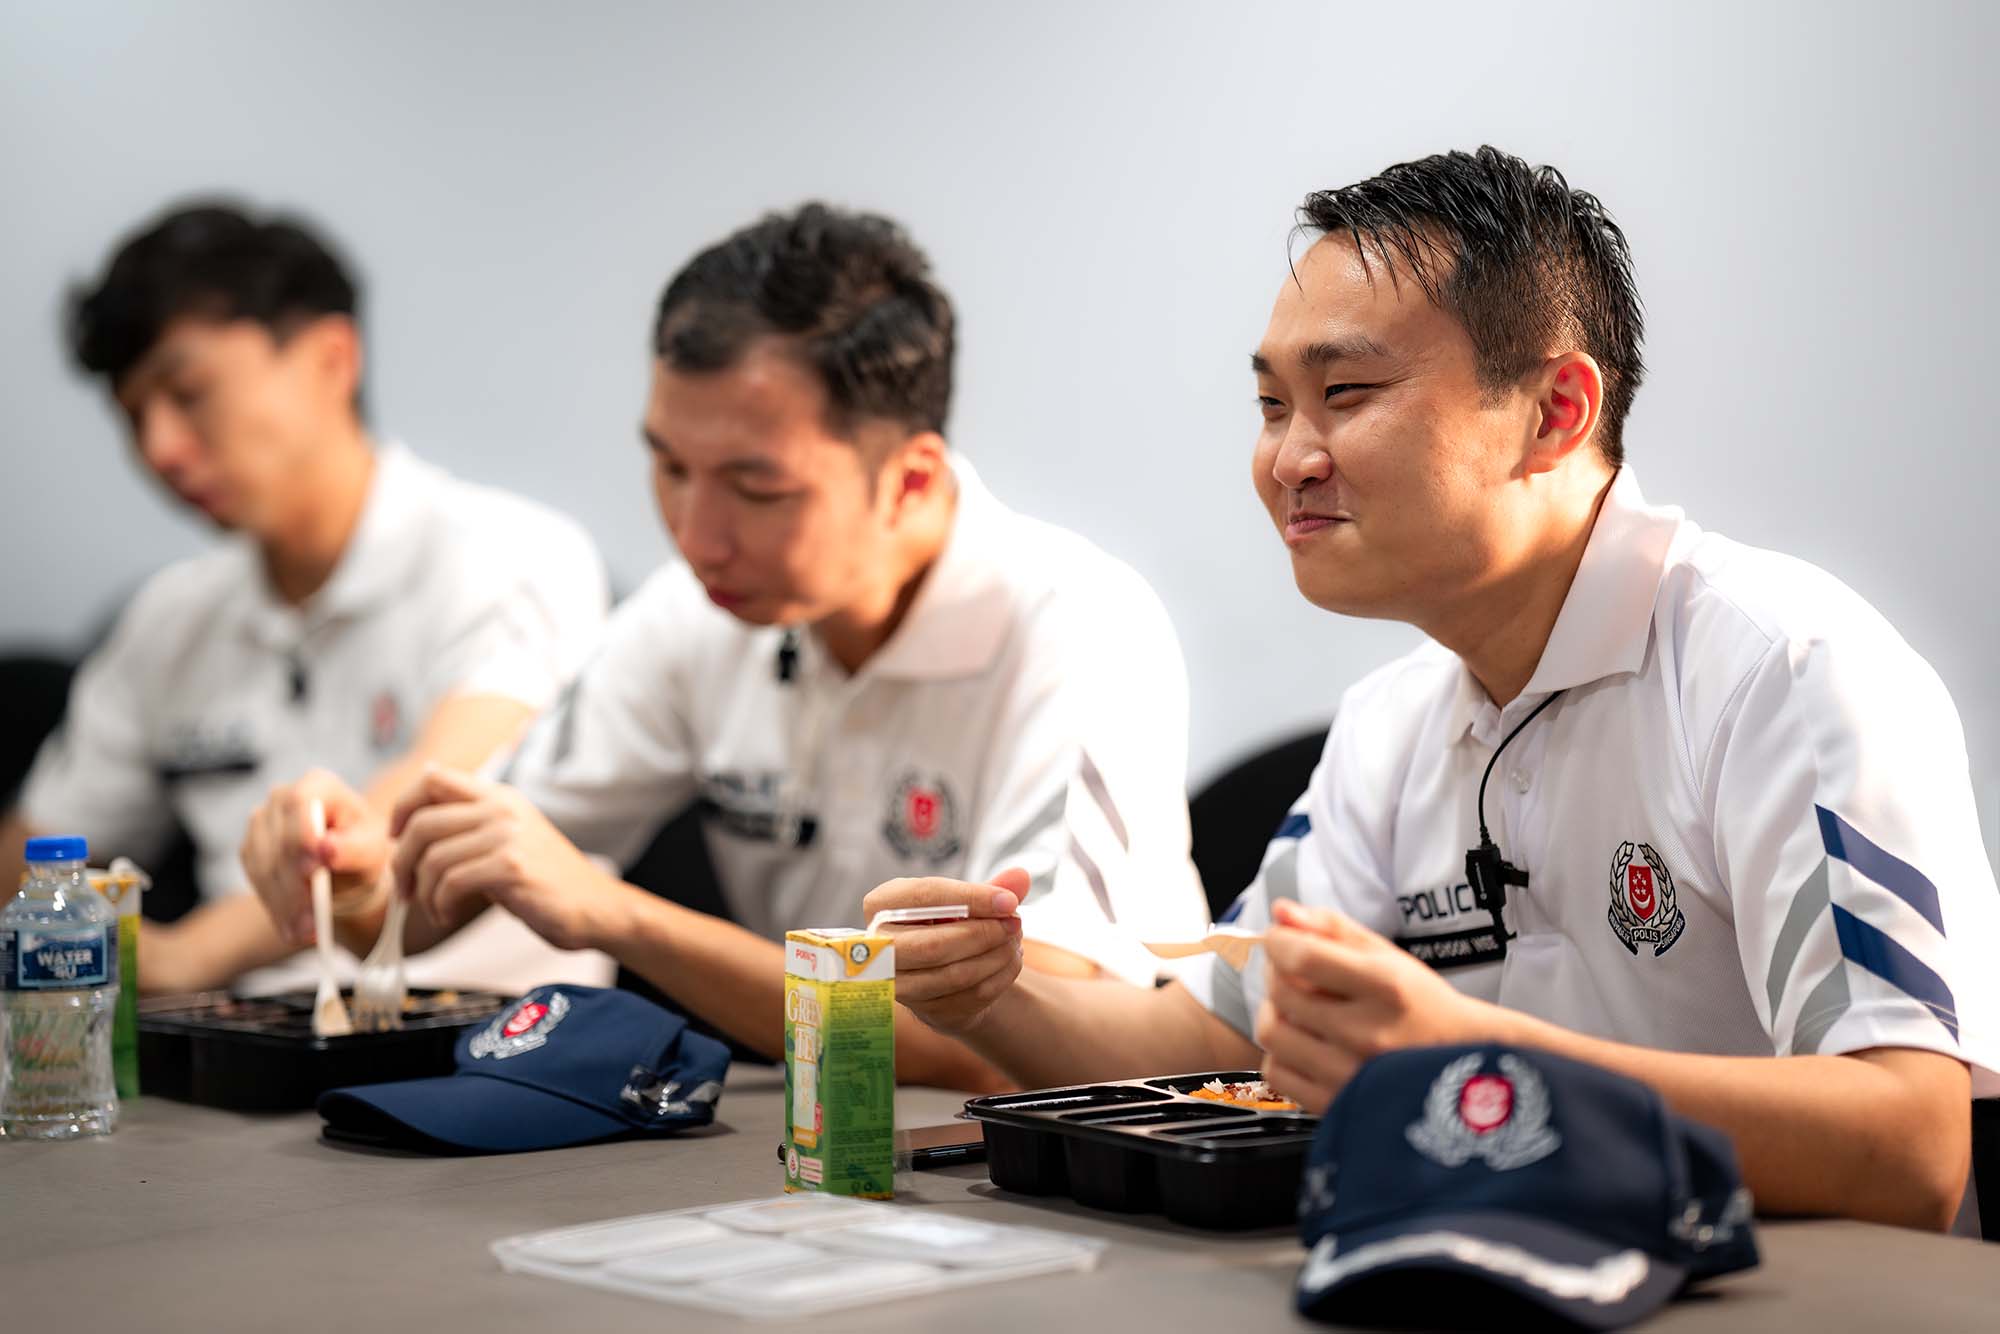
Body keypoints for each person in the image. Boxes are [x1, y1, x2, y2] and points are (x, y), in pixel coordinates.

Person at [863, 147, 1999, 1230]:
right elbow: (1211, 1044)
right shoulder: (1392, 722)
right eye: (1271, 406)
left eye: (1345, 391)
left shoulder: (1782, 667)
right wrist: (989, 994)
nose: (1288, 460)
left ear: (1555, 412)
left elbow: (1908, 1147)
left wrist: (1467, 1057)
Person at [240, 204, 1208, 1090]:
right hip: (821, 1143)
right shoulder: (695, 614)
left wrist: (619, 915)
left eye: (757, 489)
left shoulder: (1081, 626)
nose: (696, 536)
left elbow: (1005, 1042)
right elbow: (427, 902)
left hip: (1080, 1163)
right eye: (668, 466)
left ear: (910, 482)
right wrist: (352, 875)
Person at [6, 203, 610, 995]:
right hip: (242, 1042)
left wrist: (185, 956)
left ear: (331, 359)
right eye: (132, 417)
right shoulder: (167, 620)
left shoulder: (515, 556)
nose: (160, 449)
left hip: (496, 1032)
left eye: (188, 393)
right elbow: (41, 851)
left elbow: (412, 812)